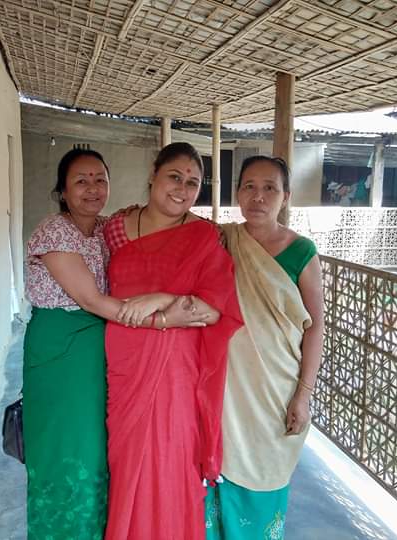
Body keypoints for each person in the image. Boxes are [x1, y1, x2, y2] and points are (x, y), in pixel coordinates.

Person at [23, 148, 208, 540]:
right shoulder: (54, 231)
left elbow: (154, 229)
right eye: (81, 181)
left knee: (96, 455)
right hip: (62, 354)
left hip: (103, 350)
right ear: (62, 191)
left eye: (100, 180)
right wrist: (164, 319)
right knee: (62, 453)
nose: (92, 189)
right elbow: (92, 300)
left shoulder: (109, 229)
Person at [103, 142, 243, 540]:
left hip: (176, 369)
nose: (182, 189)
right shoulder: (115, 227)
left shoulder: (203, 236)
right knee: (128, 461)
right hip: (125, 362)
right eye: (174, 177)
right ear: (153, 174)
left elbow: (216, 310)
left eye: (193, 183)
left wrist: (162, 299)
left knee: (170, 458)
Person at [205, 156, 324, 540]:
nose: (258, 197)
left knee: (264, 481)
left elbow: (316, 325)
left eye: (269, 188)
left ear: (285, 196)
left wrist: (303, 394)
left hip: (275, 387)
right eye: (249, 187)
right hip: (225, 387)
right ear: (237, 193)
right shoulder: (222, 240)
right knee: (215, 477)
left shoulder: (301, 251)